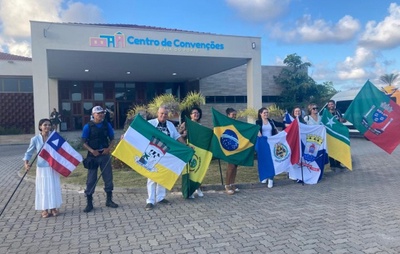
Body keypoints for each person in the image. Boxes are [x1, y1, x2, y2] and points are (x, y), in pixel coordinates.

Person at [146, 106, 187, 211]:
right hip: (153, 153)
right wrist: (126, 135)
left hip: (165, 154)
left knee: (163, 175)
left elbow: (177, 136)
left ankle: (160, 197)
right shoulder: (150, 123)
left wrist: (185, 146)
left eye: (165, 114)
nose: (163, 115)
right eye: (161, 113)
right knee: (151, 176)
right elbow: (139, 130)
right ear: (157, 113)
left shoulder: (170, 125)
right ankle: (150, 200)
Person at [81, 106, 118, 213]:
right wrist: (92, 151)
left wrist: (109, 148)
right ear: (93, 114)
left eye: (102, 113)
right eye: (98, 113)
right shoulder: (88, 126)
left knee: (108, 177)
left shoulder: (107, 125)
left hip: (104, 154)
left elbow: (112, 139)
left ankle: (109, 200)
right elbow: (83, 142)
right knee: (91, 179)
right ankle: (89, 203)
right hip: (93, 156)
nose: (100, 115)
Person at [23, 118, 62, 218]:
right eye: (45, 125)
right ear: (40, 127)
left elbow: (60, 152)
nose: (47, 127)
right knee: (43, 188)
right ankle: (44, 209)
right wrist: (26, 164)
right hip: (42, 168)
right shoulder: (35, 139)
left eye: (49, 125)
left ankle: (53, 207)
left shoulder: (54, 138)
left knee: (53, 187)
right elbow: (29, 152)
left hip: (53, 166)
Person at [178, 107, 204, 199]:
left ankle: (198, 188)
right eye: (194, 113)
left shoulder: (200, 125)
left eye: (197, 113)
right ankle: (189, 190)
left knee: (198, 170)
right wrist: (183, 135)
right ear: (190, 115)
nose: (196, 114)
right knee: (189, 170)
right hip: (188, 150)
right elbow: (177, 135)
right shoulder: (185, 124)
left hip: (198, 151)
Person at [255, 107, 284, 188]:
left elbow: (281, 124)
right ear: (260, 113)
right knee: (263, 161)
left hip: (271, 143)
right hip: (262, 143)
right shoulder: (258, 122)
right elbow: (257, 130)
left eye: (267, 112)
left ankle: (271, 179)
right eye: (264, 113)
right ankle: (265, 176)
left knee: (271, 161)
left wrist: (292, 124)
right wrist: (259, 133)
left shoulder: (271, 121)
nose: (266, 114)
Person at [224, 108, 240, 195]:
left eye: (235, 115)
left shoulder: (236, 123)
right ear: (228, 115)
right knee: (231, 166)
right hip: (228, 147)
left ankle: (232, 183)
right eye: (232, 115)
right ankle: (227, 185)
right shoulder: (225, 123)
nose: (234, 116)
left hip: (236, 146)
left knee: (235, 166)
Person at [327, 100, 346, 170]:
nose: (331, 105)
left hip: (338, 132)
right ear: (328, 106)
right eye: (330, 104)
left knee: (339, 148)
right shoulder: (326, 113)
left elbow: (342, 120)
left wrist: (343, 120)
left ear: (334, 105)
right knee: (331, 149)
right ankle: (332, 164)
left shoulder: (338, 111)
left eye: (332, 104)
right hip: (330, 133)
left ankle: (338, 163)